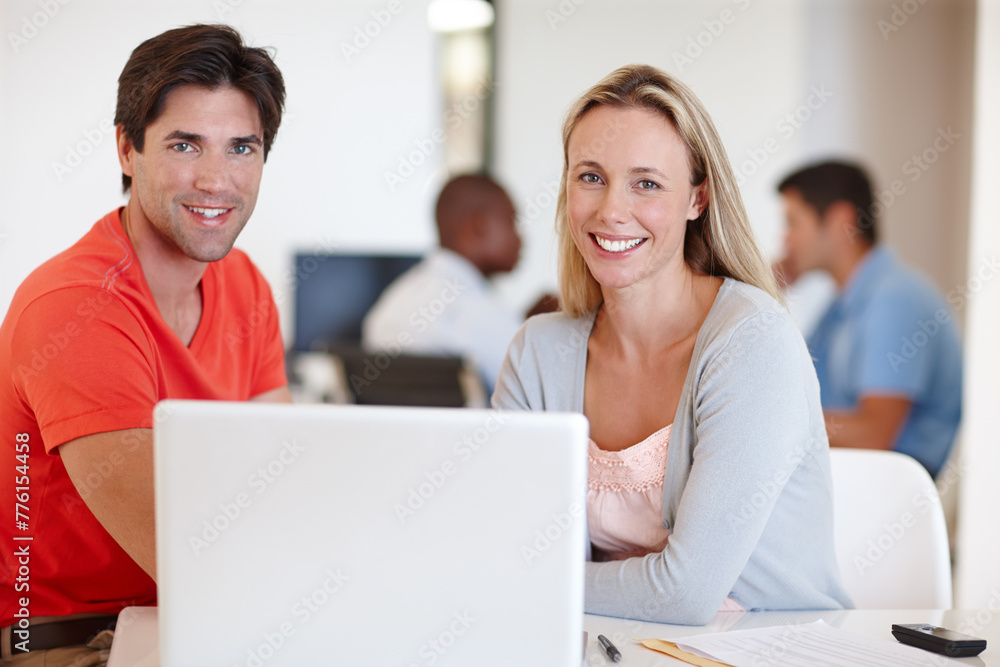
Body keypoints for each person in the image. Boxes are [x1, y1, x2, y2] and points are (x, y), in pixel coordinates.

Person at [492, 64, 851, 625]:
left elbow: (682, 594)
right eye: (590, 176)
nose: (611, 210)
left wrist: (529, 581)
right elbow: (503, 546)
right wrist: (513, 574)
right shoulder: (537, 353)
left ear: (697, 199)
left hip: (761, 648)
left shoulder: (751, 344)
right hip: (609, 644)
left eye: (647, 183)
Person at [0, 24, 288, 665]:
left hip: (194, 619)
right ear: (127, 150)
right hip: (61, 637)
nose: (217, 180)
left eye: (242, 148)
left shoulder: (246, 286)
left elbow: (279, 470)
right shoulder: (76, 307)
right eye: (186, 145)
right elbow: (189, 552)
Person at [776, 161, 962, 478]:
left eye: (793, 223)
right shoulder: (841, 308)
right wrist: (764, 287)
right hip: (854, 481)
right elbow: (788, 387)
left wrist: (776, 423)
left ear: (841, 221)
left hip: (884, 490)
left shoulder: (894, 300)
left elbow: (873, 434)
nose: (786, 241)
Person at [363, 174, 554, 393]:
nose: (521, 239)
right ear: (477, 227)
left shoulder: (393, 302)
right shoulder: (477, 311)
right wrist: (545, 333)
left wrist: (520, 324)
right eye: (512, 222)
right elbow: (540, 388)